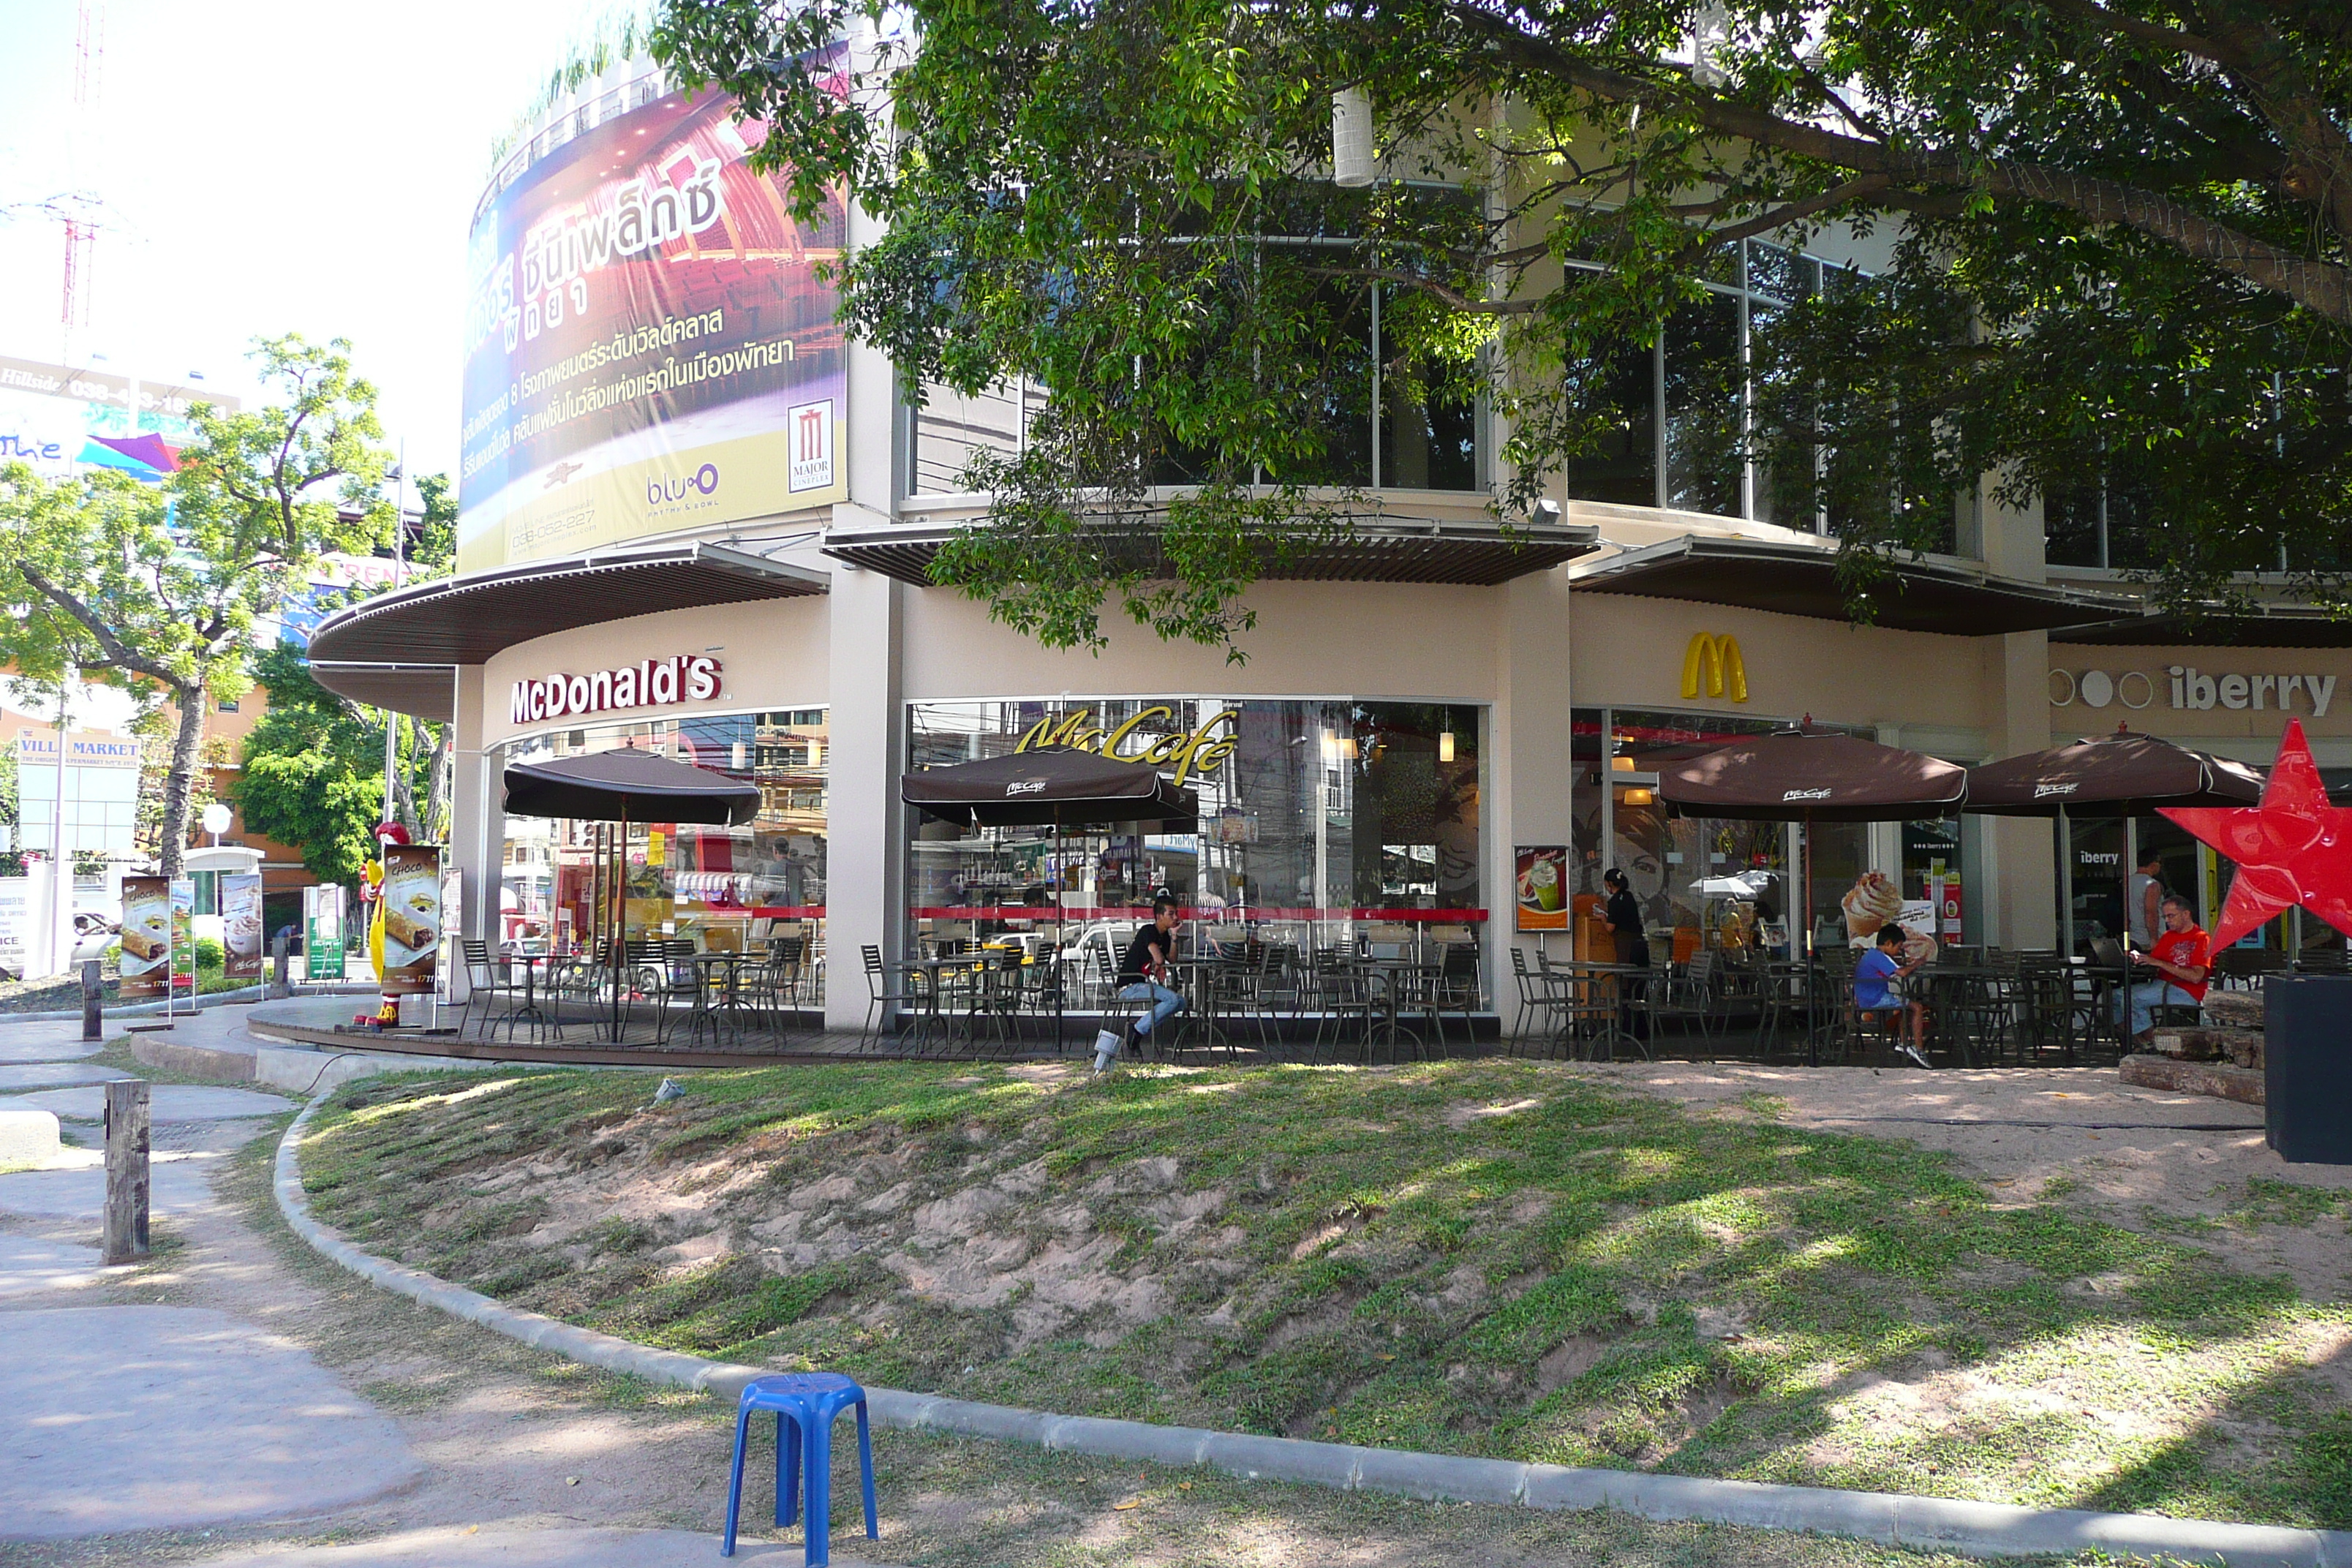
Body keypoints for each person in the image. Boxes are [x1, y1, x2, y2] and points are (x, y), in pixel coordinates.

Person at [2119, 893, 2209, 1042]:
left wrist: (2160, 963)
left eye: (2171, 916)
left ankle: (2153, 1042)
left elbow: (2196, 977)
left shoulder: (2201, 938)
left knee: (2131, 999)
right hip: (2162, 984)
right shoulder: (2168, 936)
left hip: (2186, 990)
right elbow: (2154, 959)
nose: (2167, 921)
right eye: (2165, 917)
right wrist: (2140, 958)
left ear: (2186, 914)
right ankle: (2141, 1041)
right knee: (2113, 997)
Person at [1110, 892, 1187, 1061]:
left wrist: (1174, 936)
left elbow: (1172, 959)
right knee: (1173, 1000)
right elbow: (1160, 958)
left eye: (1176, 913)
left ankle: (1137, 1029)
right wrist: (1158, 963)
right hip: (1129, 986)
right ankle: (1136, 1032)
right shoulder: (1149, 931)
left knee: (1181, 1002)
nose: (1176, 917)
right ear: (1159, 916)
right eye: (1171, 914)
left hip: (1141, 984)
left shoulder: (1165, 935)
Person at [1855, 923, 1932, 1068]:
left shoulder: (1872, 954)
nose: (1898, 951)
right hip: (1875, 998)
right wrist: (1917, 963)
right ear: (1889, 943)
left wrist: (1903, 963)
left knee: (1906, 1006)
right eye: (1898, 947)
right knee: (1917, 1007)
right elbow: (1902, 973)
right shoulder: (1880, 957)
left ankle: (1904, 1044)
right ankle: (1919, 1049)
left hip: (1866, 997)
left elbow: (1892, 966)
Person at [1601, 868, 1651, 1039]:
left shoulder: (1615, 901)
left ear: (1609, 884)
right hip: (1641, 947)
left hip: (1627, 949)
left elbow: (1610, 928)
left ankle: (1627, 1030)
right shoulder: (1629, 897)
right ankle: (1643, 1030)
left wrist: (1602, 917)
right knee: (1640, 989)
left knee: (1626, 988)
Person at [2126, 851, 2164, 949]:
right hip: (2146, 939)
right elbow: (2151, 913)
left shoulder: (2127, 882)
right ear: (2153, 864)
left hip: (2132, 937)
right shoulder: (2152, 884)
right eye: (2160, 863)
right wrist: (2154, 939)